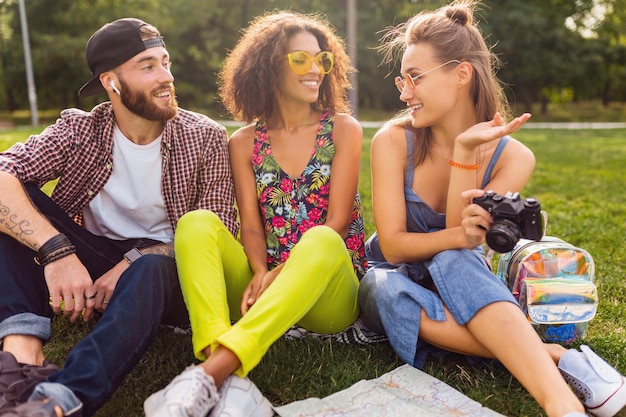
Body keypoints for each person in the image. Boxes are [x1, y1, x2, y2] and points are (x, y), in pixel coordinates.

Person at [357, 2, 626, 417]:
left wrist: (464, 151)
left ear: (461, 73)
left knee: (452, 256)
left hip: (465, 284)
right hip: (398, 281)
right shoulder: (392, 141)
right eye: (401, 79)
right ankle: (555, 357)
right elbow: (393, 248)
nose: (404, 92)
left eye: (416, 78)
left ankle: (561, 406)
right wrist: (461, 222)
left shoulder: (513, 157)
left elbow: (459, 244)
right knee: (385, 288)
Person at [0, 18, 237, 417]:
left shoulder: (205, 137)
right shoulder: (80, 129)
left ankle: (64, 398)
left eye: (166, 62)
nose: (166, 77)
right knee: (11, 203)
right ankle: (21, 359)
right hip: (89, 259)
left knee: (149, 270)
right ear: (111, 82)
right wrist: (57, 251)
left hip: (168, 269)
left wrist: (134, 260)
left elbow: (219, 232)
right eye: (148, 66)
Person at [144, 10, 367, 417]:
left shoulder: (342, 130)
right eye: (300, 59)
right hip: (266, 287)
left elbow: (336, 222)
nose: (315, 68)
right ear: (268, 67)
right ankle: (224, 373)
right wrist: (259, 270)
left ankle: (210, 373)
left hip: (329, 294)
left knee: (321, 237)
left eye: (322, 59)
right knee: (196, 223)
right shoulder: (244, 142)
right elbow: (250, 224)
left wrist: (277, 275)